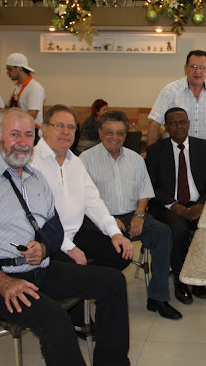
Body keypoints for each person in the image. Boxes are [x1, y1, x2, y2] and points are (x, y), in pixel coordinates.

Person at [0, 108, 130, 365]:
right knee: (55, 319)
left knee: (113, 282)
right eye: (15, 134)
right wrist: (3, 282)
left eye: (28, 135)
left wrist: (43, 247)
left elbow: (54, 228)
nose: (22, 142)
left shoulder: (35, 178)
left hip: (38, 270)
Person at [31, 105, 181, 320]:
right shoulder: (83, 159)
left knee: (162, 232)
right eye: (109, 132)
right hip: (85, 225)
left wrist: (139, 215)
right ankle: (83, 300)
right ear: (100, 133)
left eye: (120, 133)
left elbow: (144, 192)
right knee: (108, 257)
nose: (114, 138)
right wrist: (111, 223)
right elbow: (87, 206)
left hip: (130, 215)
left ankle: (158, 297)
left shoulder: (132, 159)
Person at [145, 107, 206, 305]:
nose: (179, 127)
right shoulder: (155, 151)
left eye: (182, 122)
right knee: (178, 230)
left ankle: (198, 278)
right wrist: (173, 205)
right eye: (173, 123)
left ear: (188, 124)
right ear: (166, 127)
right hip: (167, 206)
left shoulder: (205, 148)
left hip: (199, 203)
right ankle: (181, 281)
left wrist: (202, 204)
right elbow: (151, 186)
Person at [147, 50, 206, 160]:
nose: (197, 71)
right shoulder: (170, 91)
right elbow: (155, 123)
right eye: (193, 66)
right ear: (186, 68)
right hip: (176, 157)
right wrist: (151, 155)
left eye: (202, 67)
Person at [0, 53, 45, 144]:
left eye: (10, 69)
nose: (7, 72)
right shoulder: (16, 87)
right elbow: (8, 109)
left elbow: (32, 115)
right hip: (17, 131)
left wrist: (5, 114)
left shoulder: (34, 87)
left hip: (31, 133)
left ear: (19, 68)